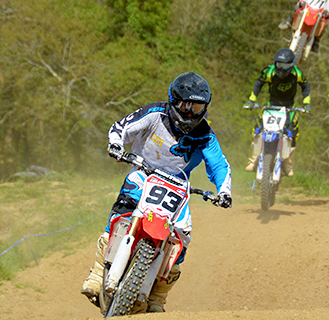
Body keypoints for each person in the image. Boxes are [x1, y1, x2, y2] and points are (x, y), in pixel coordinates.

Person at [81, 72, 232, 313]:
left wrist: (224, 191)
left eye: (197, 107)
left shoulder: (205, 135)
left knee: (182, 238)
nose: (190, 113)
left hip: (177, 186)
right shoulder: (155, 114)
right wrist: (116, 144)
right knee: (122, 211)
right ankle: (98, 273)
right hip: (143, 172)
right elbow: (122, 127)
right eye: (186, 105)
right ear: (174, 100)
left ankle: (158, 297)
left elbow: (219, 164)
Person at [243, 48, 310, 177]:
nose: (282, 69)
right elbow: (259, 83)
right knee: (258, 127)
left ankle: (287, 162)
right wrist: (251, 100)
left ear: (291, 65)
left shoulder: (297, 74)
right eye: (279, 65)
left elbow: (305, 86)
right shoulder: (270, 72)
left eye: (286, 66)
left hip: (289, 107)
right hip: (271, 106)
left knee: (293, 130)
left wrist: (306, 104)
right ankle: (255, 158)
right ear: (275, 64)